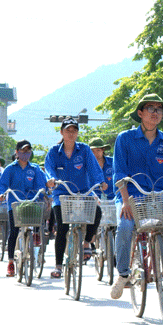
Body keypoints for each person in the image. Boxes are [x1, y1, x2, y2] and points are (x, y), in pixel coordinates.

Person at [110, 93, 163, 299]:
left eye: (159, 109)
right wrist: (125, 201)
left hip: (159, 194)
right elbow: (119, 172)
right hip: (132, 195)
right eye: (151, 109)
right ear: (140, 113)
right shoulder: (125, 139)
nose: (156, 113)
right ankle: (122, 273)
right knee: (126, 226)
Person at [44, 118, 104, 279]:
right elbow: (49, 169)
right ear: (62, 132)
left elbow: (93, 168)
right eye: (68, 130)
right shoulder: (54, 151)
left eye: (74, 131)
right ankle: (58, 266)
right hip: (61, 194)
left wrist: (100, 182)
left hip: (83, 193)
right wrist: (51, 180)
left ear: (77, 133)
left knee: (97, 212)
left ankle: (86, 243)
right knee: (62, 228)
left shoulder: (84, 150)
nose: (71, 134)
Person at [0, 140, 50, 277]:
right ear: (16, 152)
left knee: (38, 220)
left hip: (32, 203)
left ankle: (36, 237)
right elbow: (3, 185)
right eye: (22, 151)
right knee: (14, 232)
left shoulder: (35, 169)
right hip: (15, 204)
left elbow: (41, 185)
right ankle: (10, 262)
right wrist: (2, 193)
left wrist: (44, 195)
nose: (25, 154)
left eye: (28, 152)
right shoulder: (10, 169)